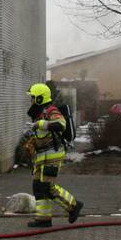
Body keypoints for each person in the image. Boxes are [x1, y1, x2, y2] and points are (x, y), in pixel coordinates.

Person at [22, 83, 83, 228]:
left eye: (32, 97)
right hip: (41, 157)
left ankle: (74, 206)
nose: (30, 100)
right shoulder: (38, 113)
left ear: (39, 99)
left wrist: (42, 124)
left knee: (47, 186)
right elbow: (43, 134)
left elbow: (61, 125)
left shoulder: (51, 110)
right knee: (38, 186)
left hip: (53, 155)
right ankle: (43, 219)